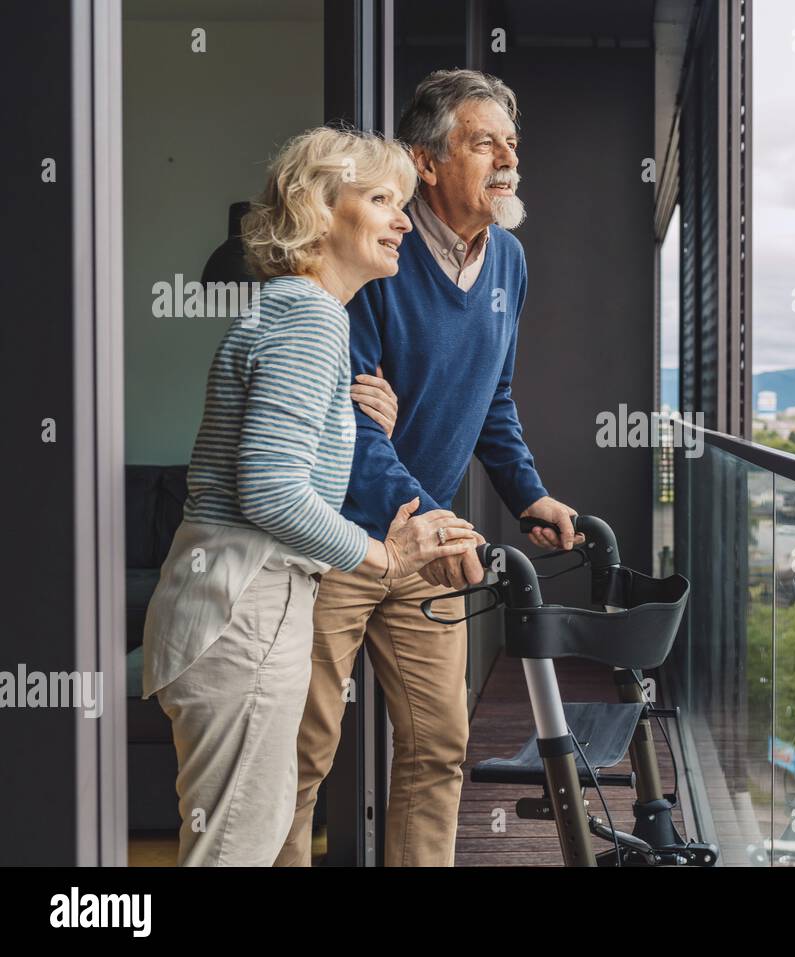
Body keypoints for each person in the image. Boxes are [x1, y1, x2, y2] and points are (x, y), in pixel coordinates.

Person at [141, 127, 481, 867]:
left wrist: (353, 419)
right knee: (238, 849)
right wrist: (382, 554)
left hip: (238, 598)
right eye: (383, 199)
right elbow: (269, 489)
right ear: (320, 210)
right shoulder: (311, 316)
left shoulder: (299, 311)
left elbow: (271, 457)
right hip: (249, 602)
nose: (402, 219)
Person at [276, 70, 579, 867]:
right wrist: (433, 520)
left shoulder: (508, 261)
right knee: (303, 755)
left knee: (439, 746)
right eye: (485, 142)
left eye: (512, 142)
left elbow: (494, 397)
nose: (508, 157)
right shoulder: (378, 254)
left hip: (427, 543)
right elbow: (353, 427)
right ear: (427, 163)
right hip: (337, 539)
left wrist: (529, 494)